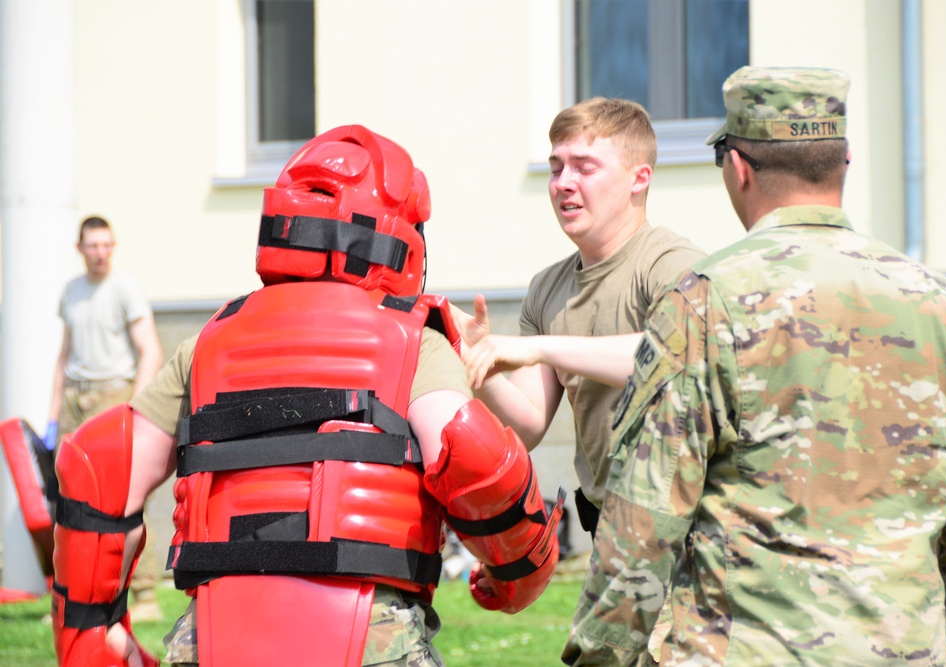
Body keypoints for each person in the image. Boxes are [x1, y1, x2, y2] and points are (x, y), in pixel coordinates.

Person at [50, 125, 563, 667]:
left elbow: (101, 467)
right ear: (397, 237)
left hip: (216, 635)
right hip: (368, 634)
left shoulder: (214, 339)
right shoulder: (410, 339)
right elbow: (469, 451)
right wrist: (517, 573)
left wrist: (93, 634)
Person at [562, 66, 946, 666]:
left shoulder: (703, 303)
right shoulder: (943, 305)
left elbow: (646, 517)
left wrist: (599, 656)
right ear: (843, 163)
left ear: (737, 168)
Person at [453, 98, 705, 538]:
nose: (563, 183)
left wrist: (538, 347)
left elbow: (675, 354)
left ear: (638, 179)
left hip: (689, 532)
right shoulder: (546, 290)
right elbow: (528, 426)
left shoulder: (671, 263)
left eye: (584, 168)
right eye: (555, 168)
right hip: (608, 530)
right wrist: (481, 363)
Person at [47, 215, 164, 622]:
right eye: (92, 245)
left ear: (113, 246)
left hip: (114, 395)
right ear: (80, 248)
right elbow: (63, 358)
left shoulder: (124, 289)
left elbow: (151, 349)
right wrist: (51, 416)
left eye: (106, 244)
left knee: (122, 498)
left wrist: (134, 407)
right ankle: (71, 596)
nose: (100, 253)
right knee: (69, 503)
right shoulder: (71, 292)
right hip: (75, 402)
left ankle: (145, 594)